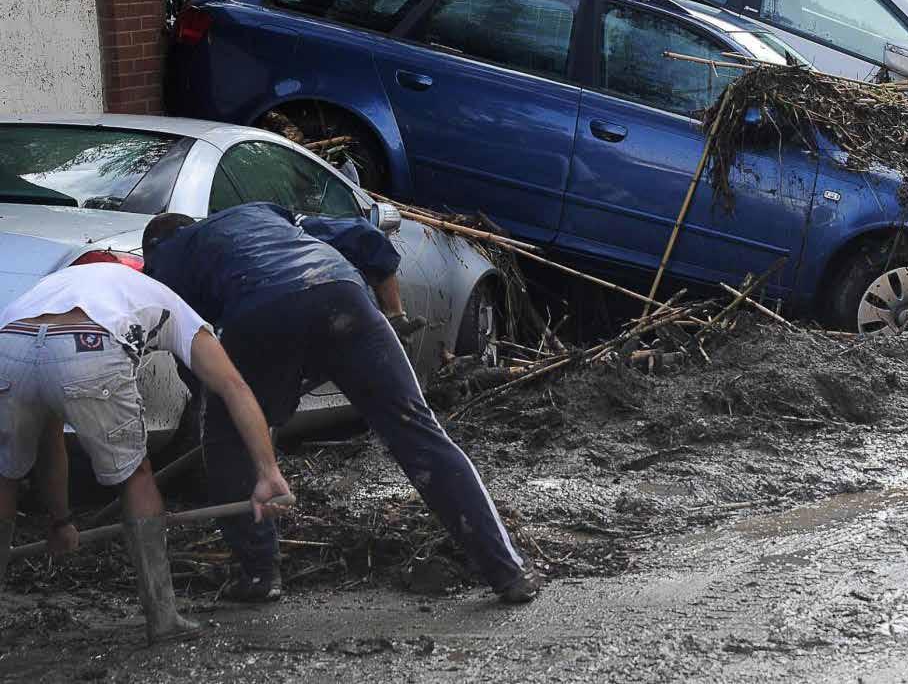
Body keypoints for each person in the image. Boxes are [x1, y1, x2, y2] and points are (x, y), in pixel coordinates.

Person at [142, 202, 540, 604]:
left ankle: (260, 575)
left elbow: (190, 350)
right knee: (418, 432)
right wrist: (394, 315)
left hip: (259, 313)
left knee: (228, 444)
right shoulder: (264, 214)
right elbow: (368, 240)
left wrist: (216, 409)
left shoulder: (169, 258)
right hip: (342, 296)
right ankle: (508, 571)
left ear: (155, 249)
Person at [0, 262, 292, 644]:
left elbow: (50, 431)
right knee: (136, 477)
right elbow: (234, 386)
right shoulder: (171, 303)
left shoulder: (53, 284)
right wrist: (268, 472)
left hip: (10, 342)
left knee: (5, 476)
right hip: (89, 341)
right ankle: (163, 618)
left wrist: (61, 521)